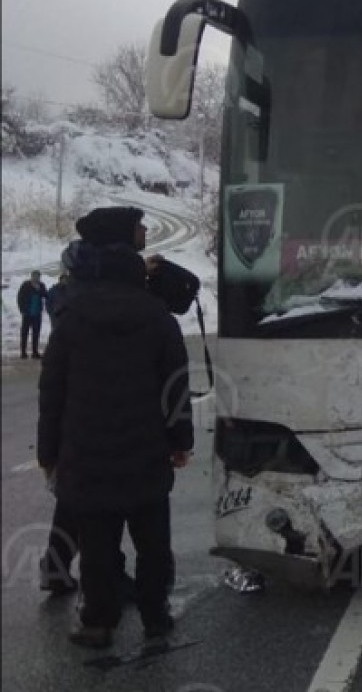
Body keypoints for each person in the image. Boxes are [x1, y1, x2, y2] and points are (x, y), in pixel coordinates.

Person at [37, 206, 194, 649]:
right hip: (146, 451)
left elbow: (53, 392)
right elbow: (176, 385)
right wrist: (181, 440)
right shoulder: (157, 317)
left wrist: (49, 451)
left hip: (86, 453)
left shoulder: (72, 317)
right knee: (153, 543)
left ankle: (98, 622)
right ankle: (156, 616)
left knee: (98, 544)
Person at [17, 270, 48, 358]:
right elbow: (20, 297)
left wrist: (39, 289)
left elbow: (46, 295)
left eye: (38, 277)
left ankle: (35, 352)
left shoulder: (41, 285)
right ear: (31, 276)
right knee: (24, 333)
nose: (36, 278)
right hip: (27, 313)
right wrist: (22, 309)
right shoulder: (25, 285)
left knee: (36, 333)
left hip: (37, 313)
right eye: (34, 276)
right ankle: (23, 352)